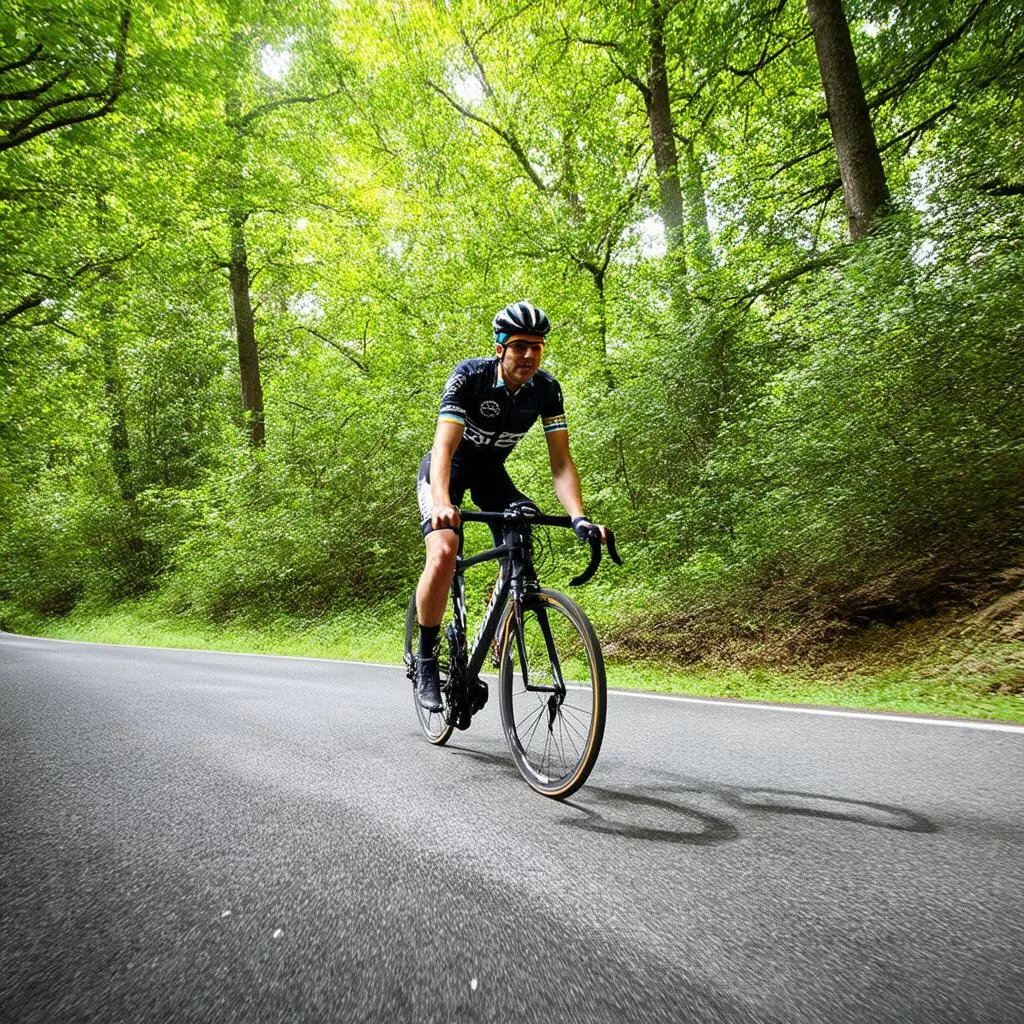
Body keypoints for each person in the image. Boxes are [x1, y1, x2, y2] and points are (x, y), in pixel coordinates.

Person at [413, 300, 607, 712]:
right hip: (446, 469)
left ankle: (501, 625)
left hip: (489, 474)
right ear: (500, 348)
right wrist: (443, 502)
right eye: (520, 346)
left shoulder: (546, 389)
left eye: (537, 346)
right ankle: (427, 658)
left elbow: (561, 463)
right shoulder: (470, 377)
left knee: (523, 534)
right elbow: (444, 448)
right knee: (445, 550)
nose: (529, 355)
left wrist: (579, 516)